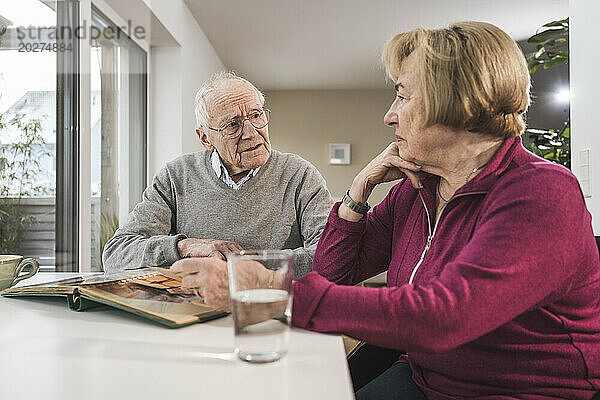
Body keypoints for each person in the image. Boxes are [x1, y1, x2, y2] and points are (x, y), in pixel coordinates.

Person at [171, 22, 600, 399]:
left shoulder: (542, 193)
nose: (388, 116)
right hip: (425, 374)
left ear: (457, 104)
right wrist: (359, 191)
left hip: (520, 391)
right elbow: (335, 270)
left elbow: (439, 319)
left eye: (402, 96)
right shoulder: (417, 188)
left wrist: (268, 291)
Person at [102, 72, 333, 279]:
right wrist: (185, 247)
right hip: (192, 313)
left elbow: (331, 256)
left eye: (256, 115)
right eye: (233, 125)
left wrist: (240, 268)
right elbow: (117, 254)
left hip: (268, 308)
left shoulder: (300, 175)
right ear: (205, 138)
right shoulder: (175, 176)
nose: (251, 133)